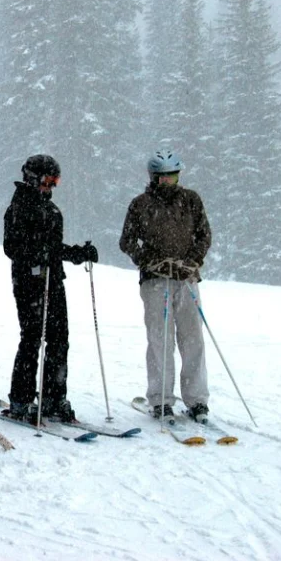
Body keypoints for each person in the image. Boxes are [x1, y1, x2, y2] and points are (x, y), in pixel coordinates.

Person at [2, 155, 98, 423]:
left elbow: (54, 249)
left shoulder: (53, 211)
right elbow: (11, 247)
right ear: (32, 179)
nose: (51, 187)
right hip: (29, 281)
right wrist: (36, 253)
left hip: (53, 280)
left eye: (55, 182)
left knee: (59, 339)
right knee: (32, 337)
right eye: (47, 181)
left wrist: (77, 253)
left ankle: (53, 398)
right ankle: (21, 400)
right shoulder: (18, 207)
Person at [119, 150, 212, 423]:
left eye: (173, 177)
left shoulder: (191, 200)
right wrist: (151, 262)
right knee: (160, 340)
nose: (169, 182)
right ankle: (161, 400)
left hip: (186, 279)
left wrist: (192, 262)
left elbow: (204, 235)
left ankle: (197, 400)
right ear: (153, 177)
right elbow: (127, 241)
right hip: (155, 282)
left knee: (193, 339)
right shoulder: (141, 204)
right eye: (163, 178)